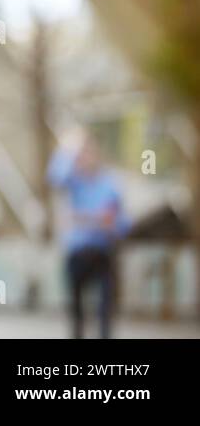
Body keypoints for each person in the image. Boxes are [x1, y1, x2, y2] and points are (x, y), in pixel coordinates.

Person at [47, 128, 130, 339]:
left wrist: (89, 219)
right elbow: (54, 177)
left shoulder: (109, 183)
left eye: (90, 152)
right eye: (82, 153)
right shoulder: (73, 181)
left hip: (103, 252)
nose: (87, 157)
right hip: (77, 253)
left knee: (105, 310)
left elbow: (120, 221)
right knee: (76, 311)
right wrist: (68, 149)